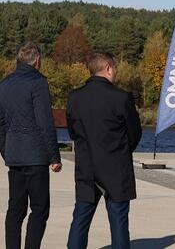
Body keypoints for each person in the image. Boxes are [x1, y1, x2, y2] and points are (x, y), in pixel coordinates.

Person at [67, 52, 142, 249]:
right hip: (116, 168)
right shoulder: (121, 98)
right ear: (108, 68)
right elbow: (134, 133)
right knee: (118, 223)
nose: (115, 72)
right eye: (115, 68)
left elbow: (73, 132)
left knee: (80, 220)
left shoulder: (74, 97)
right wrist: (122, 152)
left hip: (86, 166)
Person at [0, 42, 62, 249]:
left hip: (15, 155)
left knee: (15, 209)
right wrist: (54, 156)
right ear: (37, 60)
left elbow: (0, 123)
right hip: (35, 156)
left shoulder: (5, 84)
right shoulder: (38, 82)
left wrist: (5, 150)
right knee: (39, 208)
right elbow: (45, 121)